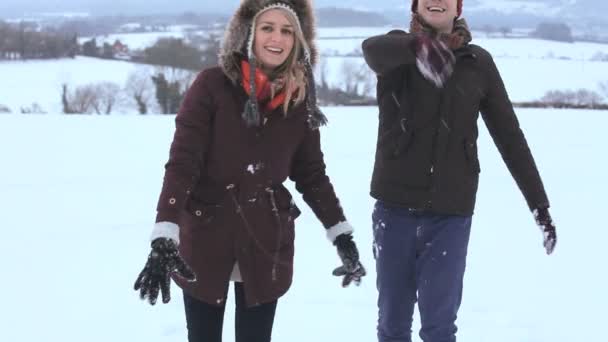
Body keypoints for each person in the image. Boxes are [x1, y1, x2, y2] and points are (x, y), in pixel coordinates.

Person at [133, 1, 366, 341]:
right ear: (248, 34)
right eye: (267, 27)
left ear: (298, 41)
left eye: (287, 30)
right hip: (206, 234)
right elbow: (184, 161)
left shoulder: (300, 99)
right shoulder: (211, 85)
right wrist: (165, 231)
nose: (277, 37)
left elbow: (311, 174)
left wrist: (340, 233)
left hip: (265, 239)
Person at [361, 1, 557, 341]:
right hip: (394, 211)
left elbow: (509, 136)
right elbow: (372, 50)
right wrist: (418, 46)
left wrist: (538, 203)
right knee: (392, 324)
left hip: (450, 215)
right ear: (416, 5)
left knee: (439, 328)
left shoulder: (477, 63)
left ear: (458, 6)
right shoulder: (398, 51)